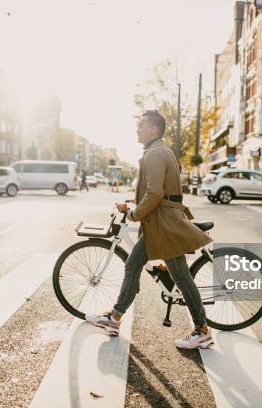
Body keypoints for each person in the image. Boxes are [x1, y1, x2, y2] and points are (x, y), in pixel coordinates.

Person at [85, 110, 214, 350]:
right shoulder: (158, 151)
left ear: (153, 130)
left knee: (181, 277)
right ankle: (114, 318)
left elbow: (155, 194)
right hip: (159, 223)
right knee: (133, 265)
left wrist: (134, 213)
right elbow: (158, 193)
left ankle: (202, 330)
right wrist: (133, 203)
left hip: (164, 225)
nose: (137, 130)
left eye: (141, 126)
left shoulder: (155, 154)